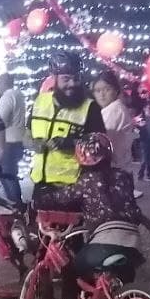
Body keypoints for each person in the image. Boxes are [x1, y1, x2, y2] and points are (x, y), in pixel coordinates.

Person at [33, 133, 144, 299]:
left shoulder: (86, 181)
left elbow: (61, 198)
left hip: (105, 240)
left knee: (70, 269)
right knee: (120, 275)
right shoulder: (123, 176)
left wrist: (41, 197)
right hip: (133, 240)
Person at [28, 51, 106, 202]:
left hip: (74, 187)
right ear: (54, 79)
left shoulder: (90, 107)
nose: (72, 84)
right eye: (66, 79)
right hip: (40, 183)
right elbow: (26, 132)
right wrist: (33, 143)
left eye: (76, 79)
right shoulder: (40, 102)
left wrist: (72, 143)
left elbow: (101, 146)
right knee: (39, 224)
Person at [92, 71, 141, 198]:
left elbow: (99, 142)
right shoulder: (111, 109)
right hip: (117, 173)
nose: (102, 94)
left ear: (116, 90)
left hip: (114, 175)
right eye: (97, 90)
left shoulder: (115, 110)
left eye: (106, 89)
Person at [0, 72, 27, 206]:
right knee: (9, 174)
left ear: (4, 82)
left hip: (8, 141)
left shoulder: (7, 96)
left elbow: (1, 120)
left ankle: (16, 205)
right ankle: (17, 204)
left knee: (7, 175)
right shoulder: (19, 95)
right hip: (18, 140)